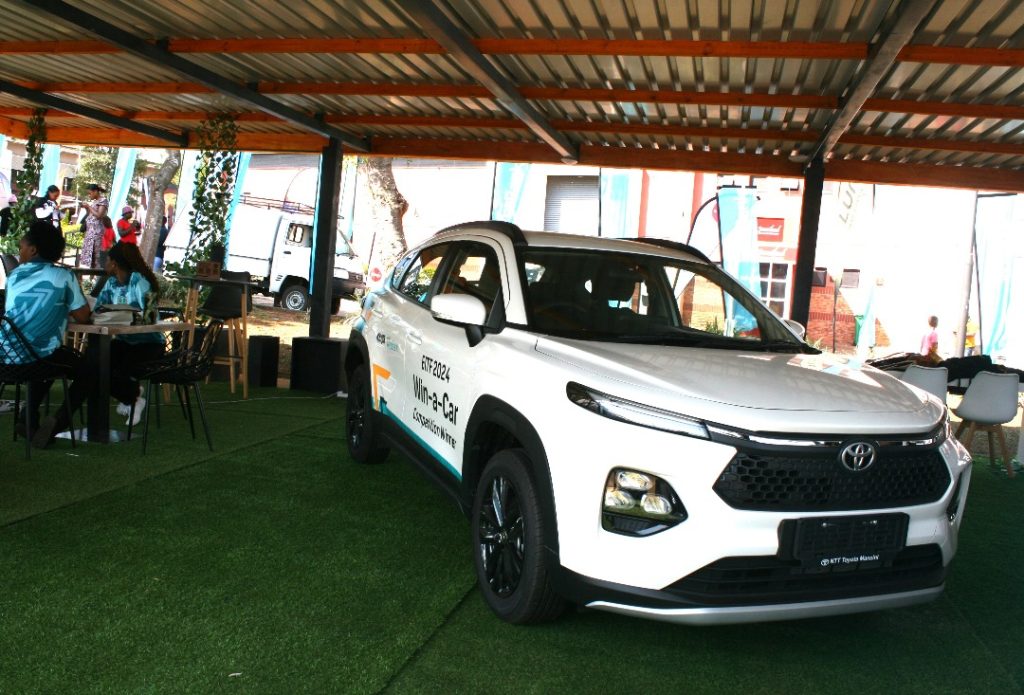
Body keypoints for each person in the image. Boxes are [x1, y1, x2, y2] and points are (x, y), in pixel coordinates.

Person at [0, 221, 92, 445]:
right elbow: (83, 316)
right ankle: (57, 422)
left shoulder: (13, 276)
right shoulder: (63, 276)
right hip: (36, 359)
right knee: (88, 370)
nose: (19, 251)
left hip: (5, 357)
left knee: (48, 356)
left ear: (33, 250)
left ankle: (28, 420)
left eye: (21, 247)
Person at [95, 242, 165, 425]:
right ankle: (132, 397)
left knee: (118, 370)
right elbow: (97, 309)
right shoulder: (110, 283)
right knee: (95, 365)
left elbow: (150, 316)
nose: (104, 264)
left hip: (149, 344)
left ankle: (132, 398)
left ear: (114, 264)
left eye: (107, 260)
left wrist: (126, 316)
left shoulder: (140, 281)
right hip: (124, 341)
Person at [79, 183, 108, 268]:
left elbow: (99, 215)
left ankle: (96, 272)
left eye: (90, 193)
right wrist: (87, 208)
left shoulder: (103, 200)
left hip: (97, 232)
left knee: (96, 254)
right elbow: (91, 214)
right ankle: (91, 272)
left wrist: (88, 206)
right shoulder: (95, 202)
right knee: (90, 255)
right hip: (90, 232)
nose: (89, 195)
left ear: (95, 191)